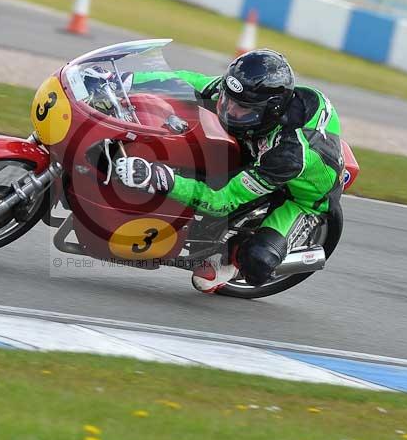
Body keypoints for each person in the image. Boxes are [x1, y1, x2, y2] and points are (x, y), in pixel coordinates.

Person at [114, 49, 344, 293]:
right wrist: (123, 80)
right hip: (262, 149)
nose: (230, 111)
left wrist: (159, 178)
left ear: (271, 110)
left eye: (242, 109)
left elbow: (222, 201)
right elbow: (188, 82)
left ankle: (232, 262)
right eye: (228, 100)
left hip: (300, 198)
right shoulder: (250, 94)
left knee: (259, 260)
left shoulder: (287, 155)